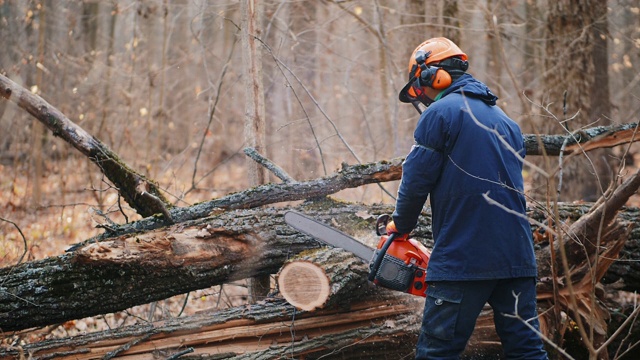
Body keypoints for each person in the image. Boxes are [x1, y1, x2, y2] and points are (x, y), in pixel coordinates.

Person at [388, 37, 548, 359]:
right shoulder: (507, 122)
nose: (424, 97)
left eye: (421, 88)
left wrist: (400, 227)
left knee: (437, 353)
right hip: (517, 259)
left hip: (463, 258)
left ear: (433, 75)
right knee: (527, 350)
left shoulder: (440, 114)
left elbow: (416, 179)